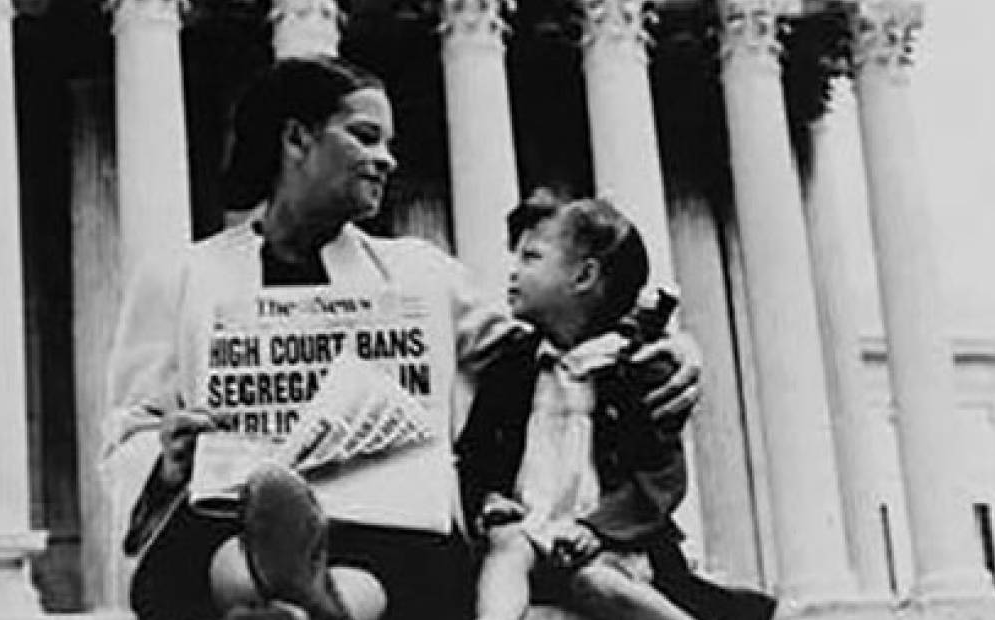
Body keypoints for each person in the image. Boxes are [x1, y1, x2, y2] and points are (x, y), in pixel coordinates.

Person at [102, 56, 705, 620]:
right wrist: (169, 459)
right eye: (365, 136)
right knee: (230, 551)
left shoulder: (420, 274)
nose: (387, 159)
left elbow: (549, 345)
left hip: (386, 531)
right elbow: (129, 433)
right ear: (296, 140)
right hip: (230, 516)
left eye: (387, 142)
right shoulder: (181, 277)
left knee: (384, 562)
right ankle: (304, 590)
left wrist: (666, 345)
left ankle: (306, 598)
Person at [458, 193, 775, 620]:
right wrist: (490, 499)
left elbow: (659, 478)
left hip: (614, 544)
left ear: (584, 275)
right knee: (506, 548)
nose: (513, 272)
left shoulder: (640, 368)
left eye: (531, 257)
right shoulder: (510, 364)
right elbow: (474, 451)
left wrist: (598, 529)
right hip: (528, 534)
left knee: (597, 582)